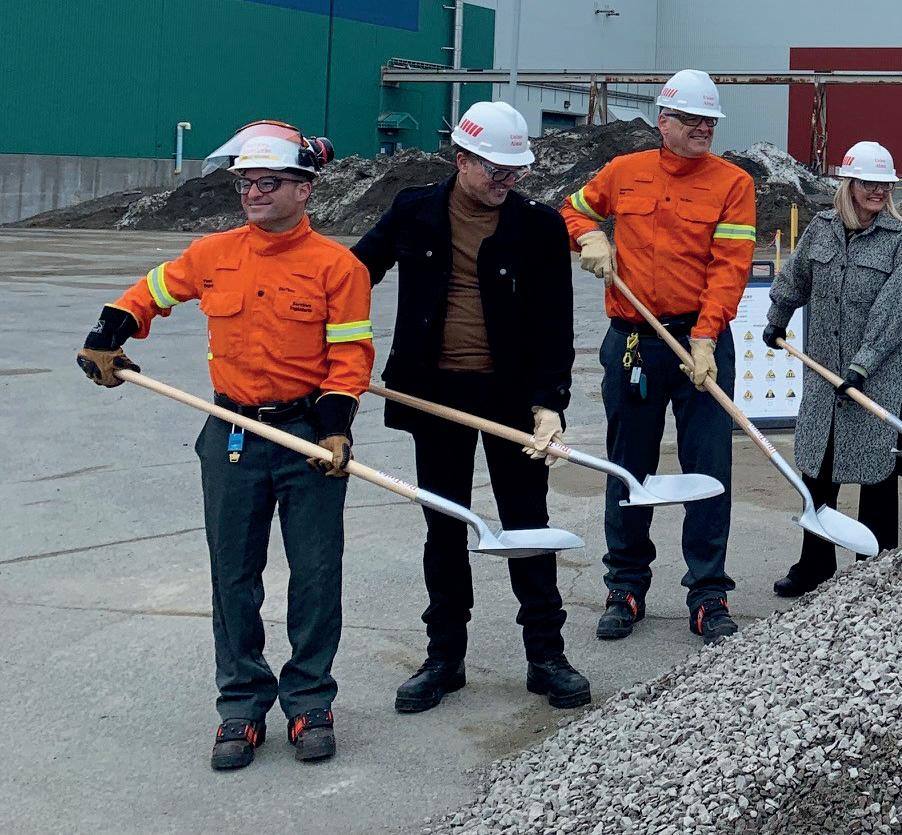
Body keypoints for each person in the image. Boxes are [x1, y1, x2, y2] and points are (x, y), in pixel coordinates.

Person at [75, 124, 369, 770]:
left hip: (307, 435)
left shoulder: (337, 267)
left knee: (316, 574)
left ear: (303, 188)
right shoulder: (213, 254)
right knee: (232, 574)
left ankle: (310, 702)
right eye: (245, 183)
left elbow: (350, 355)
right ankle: (241, 705)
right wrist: (107, 333)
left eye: (268, 182)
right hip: (231, 431)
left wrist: (335, 426)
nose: (253, 193)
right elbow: (151, 293)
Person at [350, 102, 589, 713]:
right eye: (495, 171)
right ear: (462, 160)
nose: (507, 181)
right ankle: (444, 658)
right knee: (445, 526)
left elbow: (555, 323)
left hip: (510, 398)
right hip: (433, 394)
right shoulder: (414, 211)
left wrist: (550, 404)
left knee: (527, 526)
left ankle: (546, 655)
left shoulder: (537, 226)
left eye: (515, 171)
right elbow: (352, 273)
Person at [560, 69, 757, 646]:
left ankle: (708, 593)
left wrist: (706, 336)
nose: (703, 129)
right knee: (629, 466)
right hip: (633, 342)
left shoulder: (733, 184)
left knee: (708, 469)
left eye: (709, 121)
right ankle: (625, 587)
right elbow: (572, 210)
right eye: (692, 120)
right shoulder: (624, 172)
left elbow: (730, 267)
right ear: (663, 121)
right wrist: (589, 236)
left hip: (700, 341)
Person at [763, 140, 902, 597]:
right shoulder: (823, 228)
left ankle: (877, 568)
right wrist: (777, 318)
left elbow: (892, 313)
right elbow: (796, 277)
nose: (877, 191)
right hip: (824, 374)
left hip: (877, 378)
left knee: (877, 475)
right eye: (869, 183)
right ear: (849, 185)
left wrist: (862, 365)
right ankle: (814, 564)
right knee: (819, 471)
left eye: (884, 184)